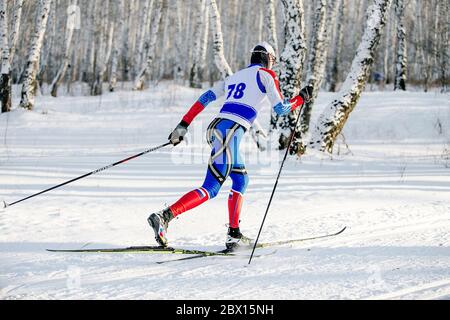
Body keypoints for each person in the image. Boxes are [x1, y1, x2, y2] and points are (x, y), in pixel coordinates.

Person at [148, 42, 313, 250]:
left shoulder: (234, 77)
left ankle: (234, 234)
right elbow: (280, 109)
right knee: (211, 187)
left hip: (218, 128)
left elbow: (205, 97)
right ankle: (165, 216)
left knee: (241, 178)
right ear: (269, 58)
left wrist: (183, 125)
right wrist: (300, 98)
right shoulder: (266, 75)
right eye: (273, 60)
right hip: (230, 132)